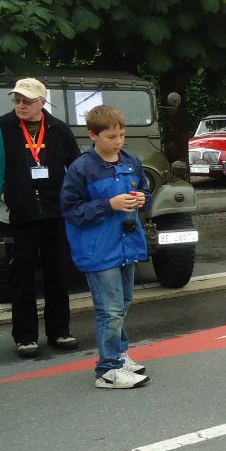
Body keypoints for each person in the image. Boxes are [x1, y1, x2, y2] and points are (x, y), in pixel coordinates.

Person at [60, 105, 152, 388]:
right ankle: (107, 370)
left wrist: (141, 199)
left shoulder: (130, 160)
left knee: (122, 304)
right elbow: (70, 209)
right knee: (109, 310)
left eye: (122, 135)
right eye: (111, 136)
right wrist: (109, 205)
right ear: (93, 135)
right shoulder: (81, 168)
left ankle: (120, 355)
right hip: (98, 250)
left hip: (126, 245)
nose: (118, 141)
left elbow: (146, 190)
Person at [0, 77, 81, 358]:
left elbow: (77, 167)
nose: (20, 105)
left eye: (27, 101)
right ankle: (25, 336)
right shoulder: (1, 127)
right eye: (17, 100)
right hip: (19, 214)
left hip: (55, 212)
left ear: (42, 103)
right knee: (21, 273)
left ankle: (59, 331)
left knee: (57, 270)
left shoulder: (59, 130)